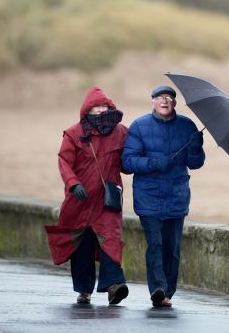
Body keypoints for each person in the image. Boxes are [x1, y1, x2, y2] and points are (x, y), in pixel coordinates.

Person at [122, 85, 205, 308]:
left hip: (176, 197)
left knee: (172, 247)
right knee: (155, 244)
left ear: (175, 103)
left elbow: (195, 164)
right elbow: (127, 162)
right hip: (148, 197)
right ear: (153, 102)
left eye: (169, 97)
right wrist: (155, 163)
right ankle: (157, 288)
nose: (165, 101)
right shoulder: (139, 126)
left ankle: (167, 292)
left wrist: (197, 147)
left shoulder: (187, 126)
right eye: (160, 98)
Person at [45, 87, 129, 305]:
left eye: (105, 106)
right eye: (96, 107)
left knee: (110, 239)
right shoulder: (73, 133)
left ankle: (114, 286)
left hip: (107, 201)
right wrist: (73, 184)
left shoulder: (121, 132)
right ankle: (84, 290)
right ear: (87, 110)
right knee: (82, 246)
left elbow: (127, 164)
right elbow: (64, 162)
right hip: (79, 201)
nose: (101, 110)